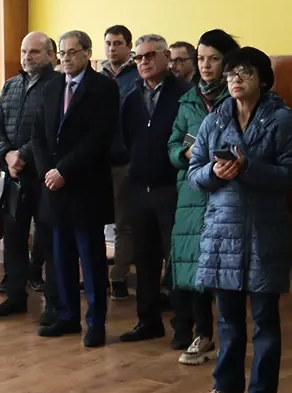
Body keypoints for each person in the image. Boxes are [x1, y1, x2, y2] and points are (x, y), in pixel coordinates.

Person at [189, 46, 292, 393]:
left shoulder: (282, 120)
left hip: (264, 231)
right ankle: (226, 386)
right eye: (231, 74)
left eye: (245, 73)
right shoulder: (215, 120)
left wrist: (248, 168)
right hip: (222, 230)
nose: (235, 80)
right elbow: (194, 173)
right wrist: (213, 173)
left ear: (263, 79)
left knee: (265, 321)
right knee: (227, 319)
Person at [33, 30, 117, 348]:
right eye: (62, 53)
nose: (66, 58)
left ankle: (96, 323)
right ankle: (67, 316)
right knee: (61, 257)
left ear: (87, 53)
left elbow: (99, 138)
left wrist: (63, 170)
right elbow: (38, 135)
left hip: (85, 186)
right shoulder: (52, 86)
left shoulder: (103, 88)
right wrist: (47, 172)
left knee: (91, 260)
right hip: (54, 187)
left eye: (72, 52)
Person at [168, 30, 240, 365]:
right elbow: (174, 144)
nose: (206, 65)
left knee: (226, 266)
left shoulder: (237, 94)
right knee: (193, 263)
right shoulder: (188, 99)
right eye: (200, 59)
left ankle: (231, 338)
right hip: (193, 190)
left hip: (229, 187)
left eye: (213, 59)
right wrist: (186, 152)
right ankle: (203, 334)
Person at [119, 35, 192, 344]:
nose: (144, 62)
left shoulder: (185, 94)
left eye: (150, 56)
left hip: (172, 188)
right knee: (145, 259)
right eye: (138, 58)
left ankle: (184, 327)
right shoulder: (132, 96)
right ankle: (147, 321)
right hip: (140, 188)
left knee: (177, 262)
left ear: (166, 57)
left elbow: (190, 138)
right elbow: (127, 138)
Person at [0, 31, 60, 325]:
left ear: (50, 55)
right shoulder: (11, 85)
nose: (27, 57)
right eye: (23, 51)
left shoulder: (58, 85)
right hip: (14, 175)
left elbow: (51, 129)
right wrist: (7, 154)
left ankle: (54, 304)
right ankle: (15, 296)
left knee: (49, 239)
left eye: (34, 52)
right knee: (14, 237)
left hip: (43, 175)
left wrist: (23, 155)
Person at [101, 24, 140, 301]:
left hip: (125, 160)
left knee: (124, 223)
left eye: (117, 43)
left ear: (128, 46)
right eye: (108, 43)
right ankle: (96, 274)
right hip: (96, 161)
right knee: (94, 221)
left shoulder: (137, 76)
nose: (112, 48)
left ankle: (119, 277)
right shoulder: (96, 76)